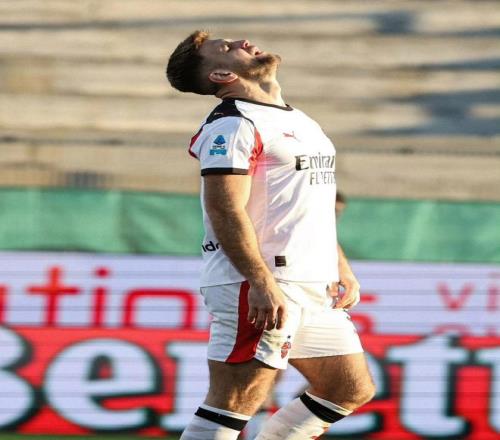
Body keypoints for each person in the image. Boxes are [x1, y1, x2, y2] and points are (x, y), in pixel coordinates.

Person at [166, 31, 375, 440]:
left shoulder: (298, 119)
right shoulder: (233, 125)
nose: (243, 42)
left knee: (347, 388)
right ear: (221, 75)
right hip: (263, 282)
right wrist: (260, 281)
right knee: (233, 402)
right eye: (226, 48)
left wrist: (339, 265)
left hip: (311, 282)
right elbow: (225, 209)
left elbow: (307, 205)